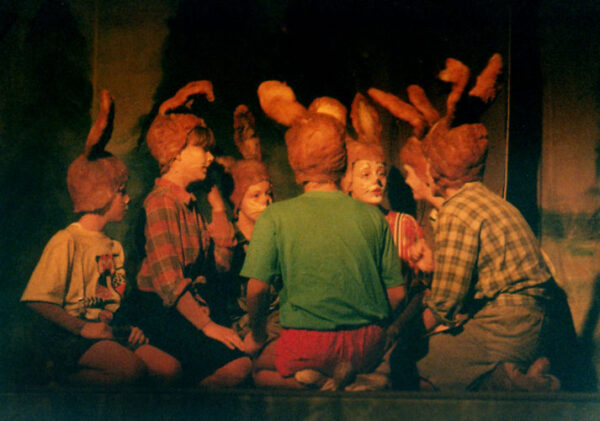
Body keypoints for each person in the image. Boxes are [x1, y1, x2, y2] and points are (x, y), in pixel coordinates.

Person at [373, 54, 562, 391]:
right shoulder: (488, 200)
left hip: (510, 326)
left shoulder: (458, 211)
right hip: (534, 323)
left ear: (436, 165)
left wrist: (400, 337)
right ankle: (519, 373)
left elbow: (445, 304)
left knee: (415, 362)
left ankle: (511, 381)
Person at [241, 81, 406, 390]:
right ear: (343, 162)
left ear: (295, 162)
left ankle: (317, 386)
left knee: (259, 371)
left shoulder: (275, 216)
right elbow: (397, 295)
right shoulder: (373, 217)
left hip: (307, 344)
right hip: (366, 345)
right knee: (353, 362)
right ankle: (351, 381)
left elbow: (257, 290)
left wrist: (258, 335)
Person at [20, 90, 181, 386]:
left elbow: (107, 302)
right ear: (100, 192)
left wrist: (126, 329)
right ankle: (56, 377)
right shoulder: (67, 240)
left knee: (169, 370)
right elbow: (37, 300)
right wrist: (82, 328)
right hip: (68, 336)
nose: (127, 199)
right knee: (131, 371)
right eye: (121, 192)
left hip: (104, 333)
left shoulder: (114, 247)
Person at [134, 81, 251, 387]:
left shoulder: (190, 204)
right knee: (234, 364)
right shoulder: (161, 202)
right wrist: (207, 326)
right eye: (202, 149)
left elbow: (219, 268)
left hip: (190, 309)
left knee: (240, 362)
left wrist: (218, 207)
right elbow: (169, 282)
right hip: (161, 313)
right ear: (176, 152)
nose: (210, 158)